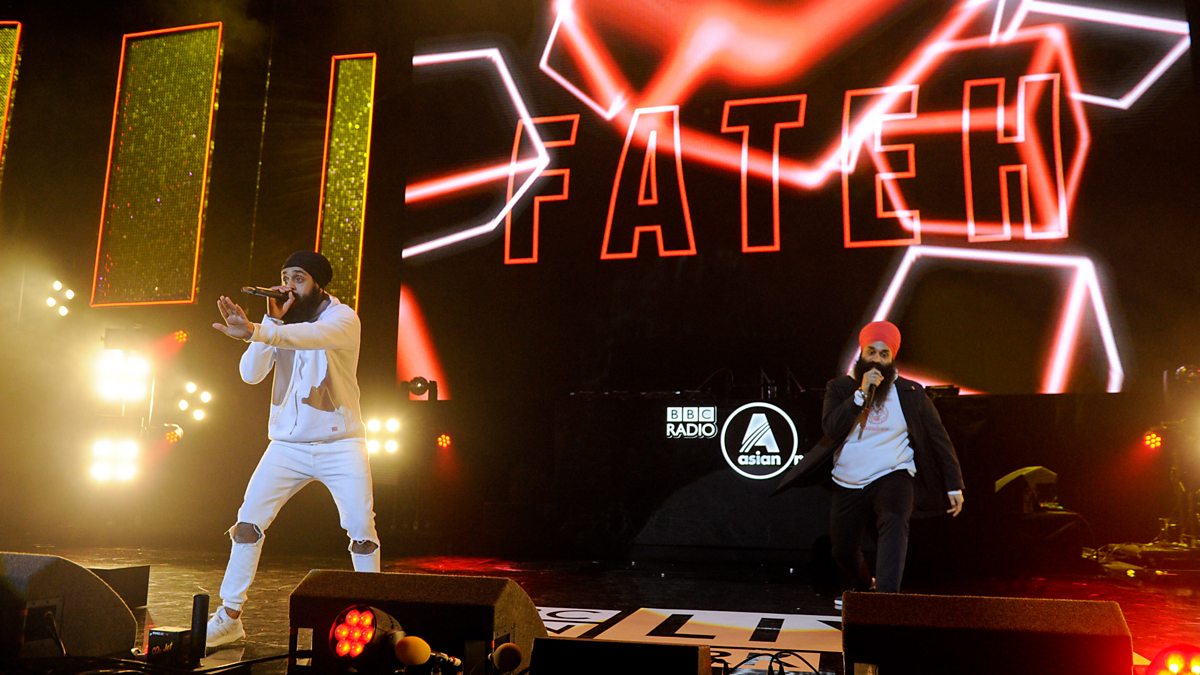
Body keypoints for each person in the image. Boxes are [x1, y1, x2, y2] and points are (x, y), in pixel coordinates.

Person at [206, 251, 380, 647]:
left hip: (341, 444)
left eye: (298, 278)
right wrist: (267, 323)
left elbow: (310, 337)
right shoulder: (279, 326)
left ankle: (375, 614)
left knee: (361, 530)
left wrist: (257, 330)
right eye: (284, 277)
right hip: (286, 446)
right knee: (247, 525)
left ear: (318, 284)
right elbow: (250, 375)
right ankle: (229, 617)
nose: (288, 286)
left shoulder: (342, 319)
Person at [776, 320, 963, 607]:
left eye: (883, 354)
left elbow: (939, 439)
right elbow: (832, 428)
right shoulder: (839, 388)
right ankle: (863, 587)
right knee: (843, 549)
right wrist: (860, 395)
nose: (876, 359)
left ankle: (885, 602)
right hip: (848, 478)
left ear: (892, 358)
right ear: (862, 353)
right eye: (871, 352)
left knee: (894, 519)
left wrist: (953, 484)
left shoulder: (911, 392)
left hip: (894, 470)